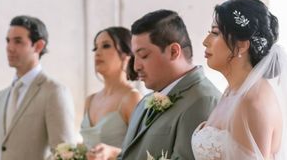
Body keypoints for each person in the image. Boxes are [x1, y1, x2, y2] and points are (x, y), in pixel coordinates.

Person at [192, 0, 287, 160]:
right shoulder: (233, 91)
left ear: (242, 45)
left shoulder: (254, 102)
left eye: (215, 33)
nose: (205, 41)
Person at [88, 10, 220, 160]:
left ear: (173, 51)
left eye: (144, 55)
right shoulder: (146, 101)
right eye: (135, 56)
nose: (136, 66)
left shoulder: (202, 101)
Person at [0, 15, 77, 160]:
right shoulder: (1, 96)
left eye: (18, 41)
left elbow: (65, 155)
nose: (9, 48)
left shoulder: (54, 92)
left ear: (38, 46)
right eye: (8, 41)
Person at [80, 27, 142, 149]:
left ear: (126, 55)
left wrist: (112, 154)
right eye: (95, 48)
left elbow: (141, 151)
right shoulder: (90, 100)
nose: (97, 53)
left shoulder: (132, 98)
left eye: (106, 46)